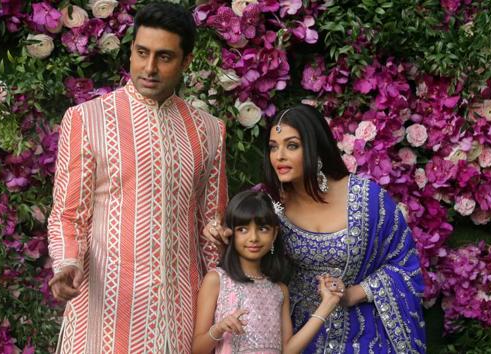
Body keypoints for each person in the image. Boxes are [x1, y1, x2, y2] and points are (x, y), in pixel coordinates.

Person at [47, 2, 227, 353]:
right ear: (130, 51)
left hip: (179, 317)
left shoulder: (209, 130)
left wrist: (219, 299)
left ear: (186, 61)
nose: (149, 67)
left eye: (164, 57)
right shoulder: (88, 120)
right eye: (141, 52)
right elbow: (70, 214)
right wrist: (67, 263)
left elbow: (211, 224)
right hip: (105, 316)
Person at [206, 104, 426, 353]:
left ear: (315, 148)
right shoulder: (270, 204)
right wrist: (224, 239)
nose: (279, 156)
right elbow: (249, 249)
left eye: (292, 146)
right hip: (300, 330)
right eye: (273, 147)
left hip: (362, 331)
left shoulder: (367, 199)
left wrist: (352, 294)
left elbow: (404, 264)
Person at [193, 190, 342, 354]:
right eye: (243, 229)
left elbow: (288, 350)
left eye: (262, 228)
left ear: (274, 233)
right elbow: (197, 349)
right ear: (231, 233)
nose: (253, 238)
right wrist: (219, 328)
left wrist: (326, 306)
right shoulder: (217, 280)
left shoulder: (279, 290)